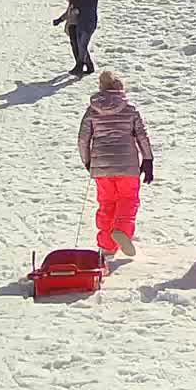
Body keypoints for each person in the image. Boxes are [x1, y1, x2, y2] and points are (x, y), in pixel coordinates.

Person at [79, 70, 153, 260]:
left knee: (106, 203)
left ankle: (107, 246)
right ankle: (121, 231)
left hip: (101, 165)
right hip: (127, 165)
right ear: (120, 88)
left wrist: (88, 161)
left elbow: (83, 138)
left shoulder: (92, 110)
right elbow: (142, 135)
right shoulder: (129, 109)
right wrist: (148, 159)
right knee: (128, 200)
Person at [52, 0, 98, 76]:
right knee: (79, 45)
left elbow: (89, 7)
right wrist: (59, 20)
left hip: (88, 23)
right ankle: (86, 66)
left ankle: (80, 66)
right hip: (78, 24)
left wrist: (78, 10)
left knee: (81, 45)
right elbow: (69, 11)